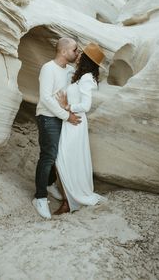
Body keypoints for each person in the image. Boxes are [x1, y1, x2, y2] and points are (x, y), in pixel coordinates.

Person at [54, 42, 107, 215]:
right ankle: (68, 198)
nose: (78, 55)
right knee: (67, 159)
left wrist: (67, 106)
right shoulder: (81, 76)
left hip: (75, 122)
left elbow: (86, 105)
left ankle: (69, 202)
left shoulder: (86, 78)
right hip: (70, 123)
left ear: (86, 60)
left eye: (82, 54)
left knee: (65, 159)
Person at [32, 37, 81, 219]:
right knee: (48, 156)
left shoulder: (70, 71)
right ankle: (40, 197)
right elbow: (46, 98)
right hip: (48, 117)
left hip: (62, 118)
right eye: (74, 50)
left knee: (57, 155)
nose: (77, 53)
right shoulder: (48, 68)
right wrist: (67, 116)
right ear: (63, 51)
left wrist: (69, 110)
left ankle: (50, 183)